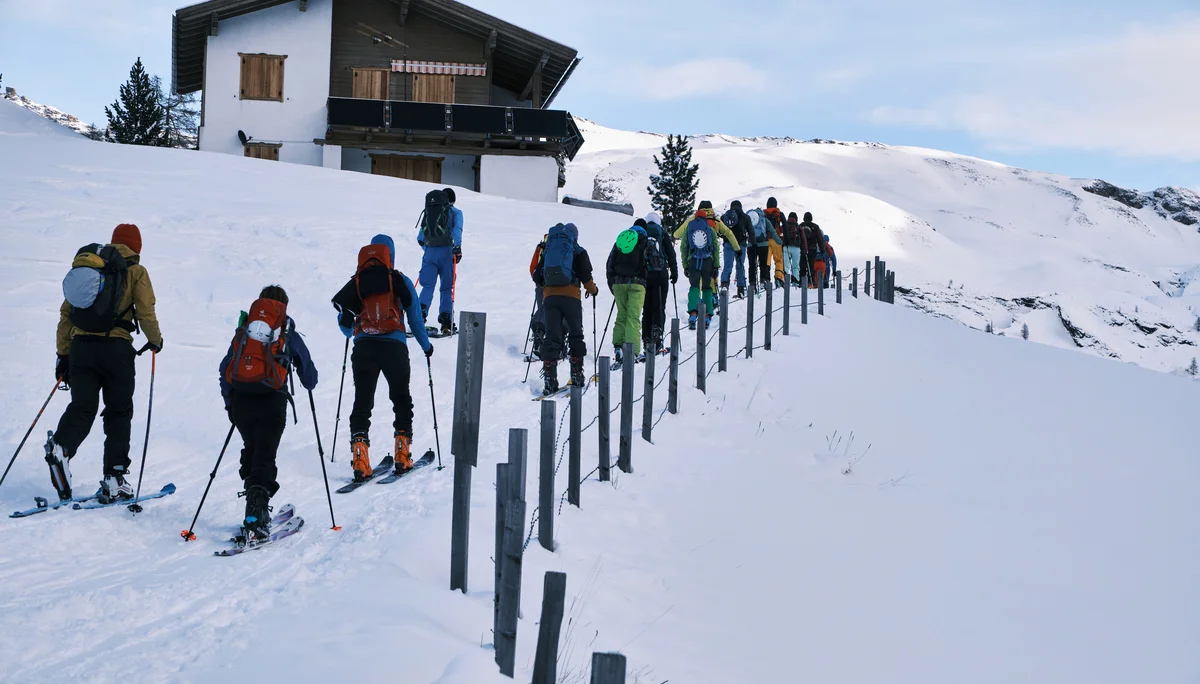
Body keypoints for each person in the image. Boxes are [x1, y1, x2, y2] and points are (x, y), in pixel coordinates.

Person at [46, 223, 164, 504]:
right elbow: (146, 312)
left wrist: (63, 355)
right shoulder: (135, 271)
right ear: (137, 247)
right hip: (116, 350)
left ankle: (61, 448)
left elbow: (66, 315)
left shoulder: (90, 271)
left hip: (81, 349)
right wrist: (156, 340)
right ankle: (115, 477)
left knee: (82, 407)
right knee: (118, 412)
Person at [332, 235, 433, 482]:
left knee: (362, 403)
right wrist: (426, 346)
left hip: (364, 347)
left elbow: (346, 328)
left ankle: (360, 459)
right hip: (394, 348)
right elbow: (415, 320)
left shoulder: (358, 282)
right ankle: (402, 453)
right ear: (391, 254)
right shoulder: (400, 280)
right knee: (401, 398)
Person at [219, 285, 318, 539]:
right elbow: (308, 374)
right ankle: (256, 513)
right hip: (272, 401)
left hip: (242, 400)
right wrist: (308, 381)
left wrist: (230, 403)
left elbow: (225, 368)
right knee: (265, 454)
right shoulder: (285, 331)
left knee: (252, 450)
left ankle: (253, 505)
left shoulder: (245, 331)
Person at [532, 223, 598, 395]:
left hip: (550, 299)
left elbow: (536, 275)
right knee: (576, 334)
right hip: (571, 299)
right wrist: (593, 290)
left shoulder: (548, 249)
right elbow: (586, 276)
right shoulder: (578, 250)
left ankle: (549, 379)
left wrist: (547, 287)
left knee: (551, 336)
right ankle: (576, 374)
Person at [417, 187, 464, 336]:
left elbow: (420, 237)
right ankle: (446, 322)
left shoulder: (431, 210)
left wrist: (428, 249)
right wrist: (457, 247)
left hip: (430, 252)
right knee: (446, 288)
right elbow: (457, 230)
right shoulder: (456, 212)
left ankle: (419, 317)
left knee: (427, 287)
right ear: (453, 200)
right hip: (447, 253)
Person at [606, 221, 649, 367]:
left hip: (618, 283)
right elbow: (655, 263)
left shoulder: (622, 239)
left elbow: (610, 263)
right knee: (633, 317)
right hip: (637, 284)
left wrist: (612, 284)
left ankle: (618, 347)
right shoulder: (645, 241)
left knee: (621, 315)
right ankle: (632, 351)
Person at [674, 206, 721, 329]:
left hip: (693, 261)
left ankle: (693, 314)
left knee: (694, 286)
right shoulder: (710, 229)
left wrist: (685, 265)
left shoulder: (689, 228)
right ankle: (707, 316)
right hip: (708, 262)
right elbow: (715, 248)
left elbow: (683, 247)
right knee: (707, 288)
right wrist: (716, 265)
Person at [642, 213, 678, 357]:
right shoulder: (662, 234)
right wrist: (674, 273)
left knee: (647, 309)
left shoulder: (642, 233)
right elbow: (671, 254)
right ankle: (657, 338)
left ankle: (646, 339)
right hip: (661, 275)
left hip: (645, 276)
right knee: (659, 306)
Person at [744, 207, 779, 293]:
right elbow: (772, 231)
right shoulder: (764, 219)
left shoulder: (748, 218)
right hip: (763, 244)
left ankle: (752, 283)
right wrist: (779, 241)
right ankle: (763, 281)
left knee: (752, 264)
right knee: (763, 264)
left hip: (751, 245)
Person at [719, 202, 748, 299]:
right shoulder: (745, 217)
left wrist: (725, 238)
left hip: (728, 244)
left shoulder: (724, 217)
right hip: (741, 245)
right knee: (740, 266)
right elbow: (751, 231)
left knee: (727, 265)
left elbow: (720, 231)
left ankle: (724, 285)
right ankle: (741, 289)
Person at [528, 234, 549, 360]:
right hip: (558, 285)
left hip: (540, 284)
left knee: (542, 309)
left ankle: (538, 336)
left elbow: (533, 267)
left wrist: (537, 280)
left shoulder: (541, 246)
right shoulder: (566, 245)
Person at [764, 197, 787, 289]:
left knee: (767, 260)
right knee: (778, 260)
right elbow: (785, 225)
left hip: (766, 239)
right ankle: (779, 278)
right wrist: (785, 238)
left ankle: (766, 278)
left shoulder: (764, 213)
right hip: (776, 238)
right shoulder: (779, 213)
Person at [800, 212, 826, 289]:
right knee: (811, 267)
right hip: (812, 250)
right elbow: (820, 239)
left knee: (802, 266)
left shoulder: (801, 226)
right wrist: (822, 250)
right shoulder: (815, 227)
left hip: (802, 249)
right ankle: (810, 283)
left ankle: (801, 283)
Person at [782, 211, 808, 285]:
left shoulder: (785, 225)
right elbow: (803, 239)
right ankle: (795, 281)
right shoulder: (799, 227)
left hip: (786, 247)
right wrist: (805, 250)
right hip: (796, 248)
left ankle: (785, 280)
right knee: (795, 266)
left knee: (786, 265)